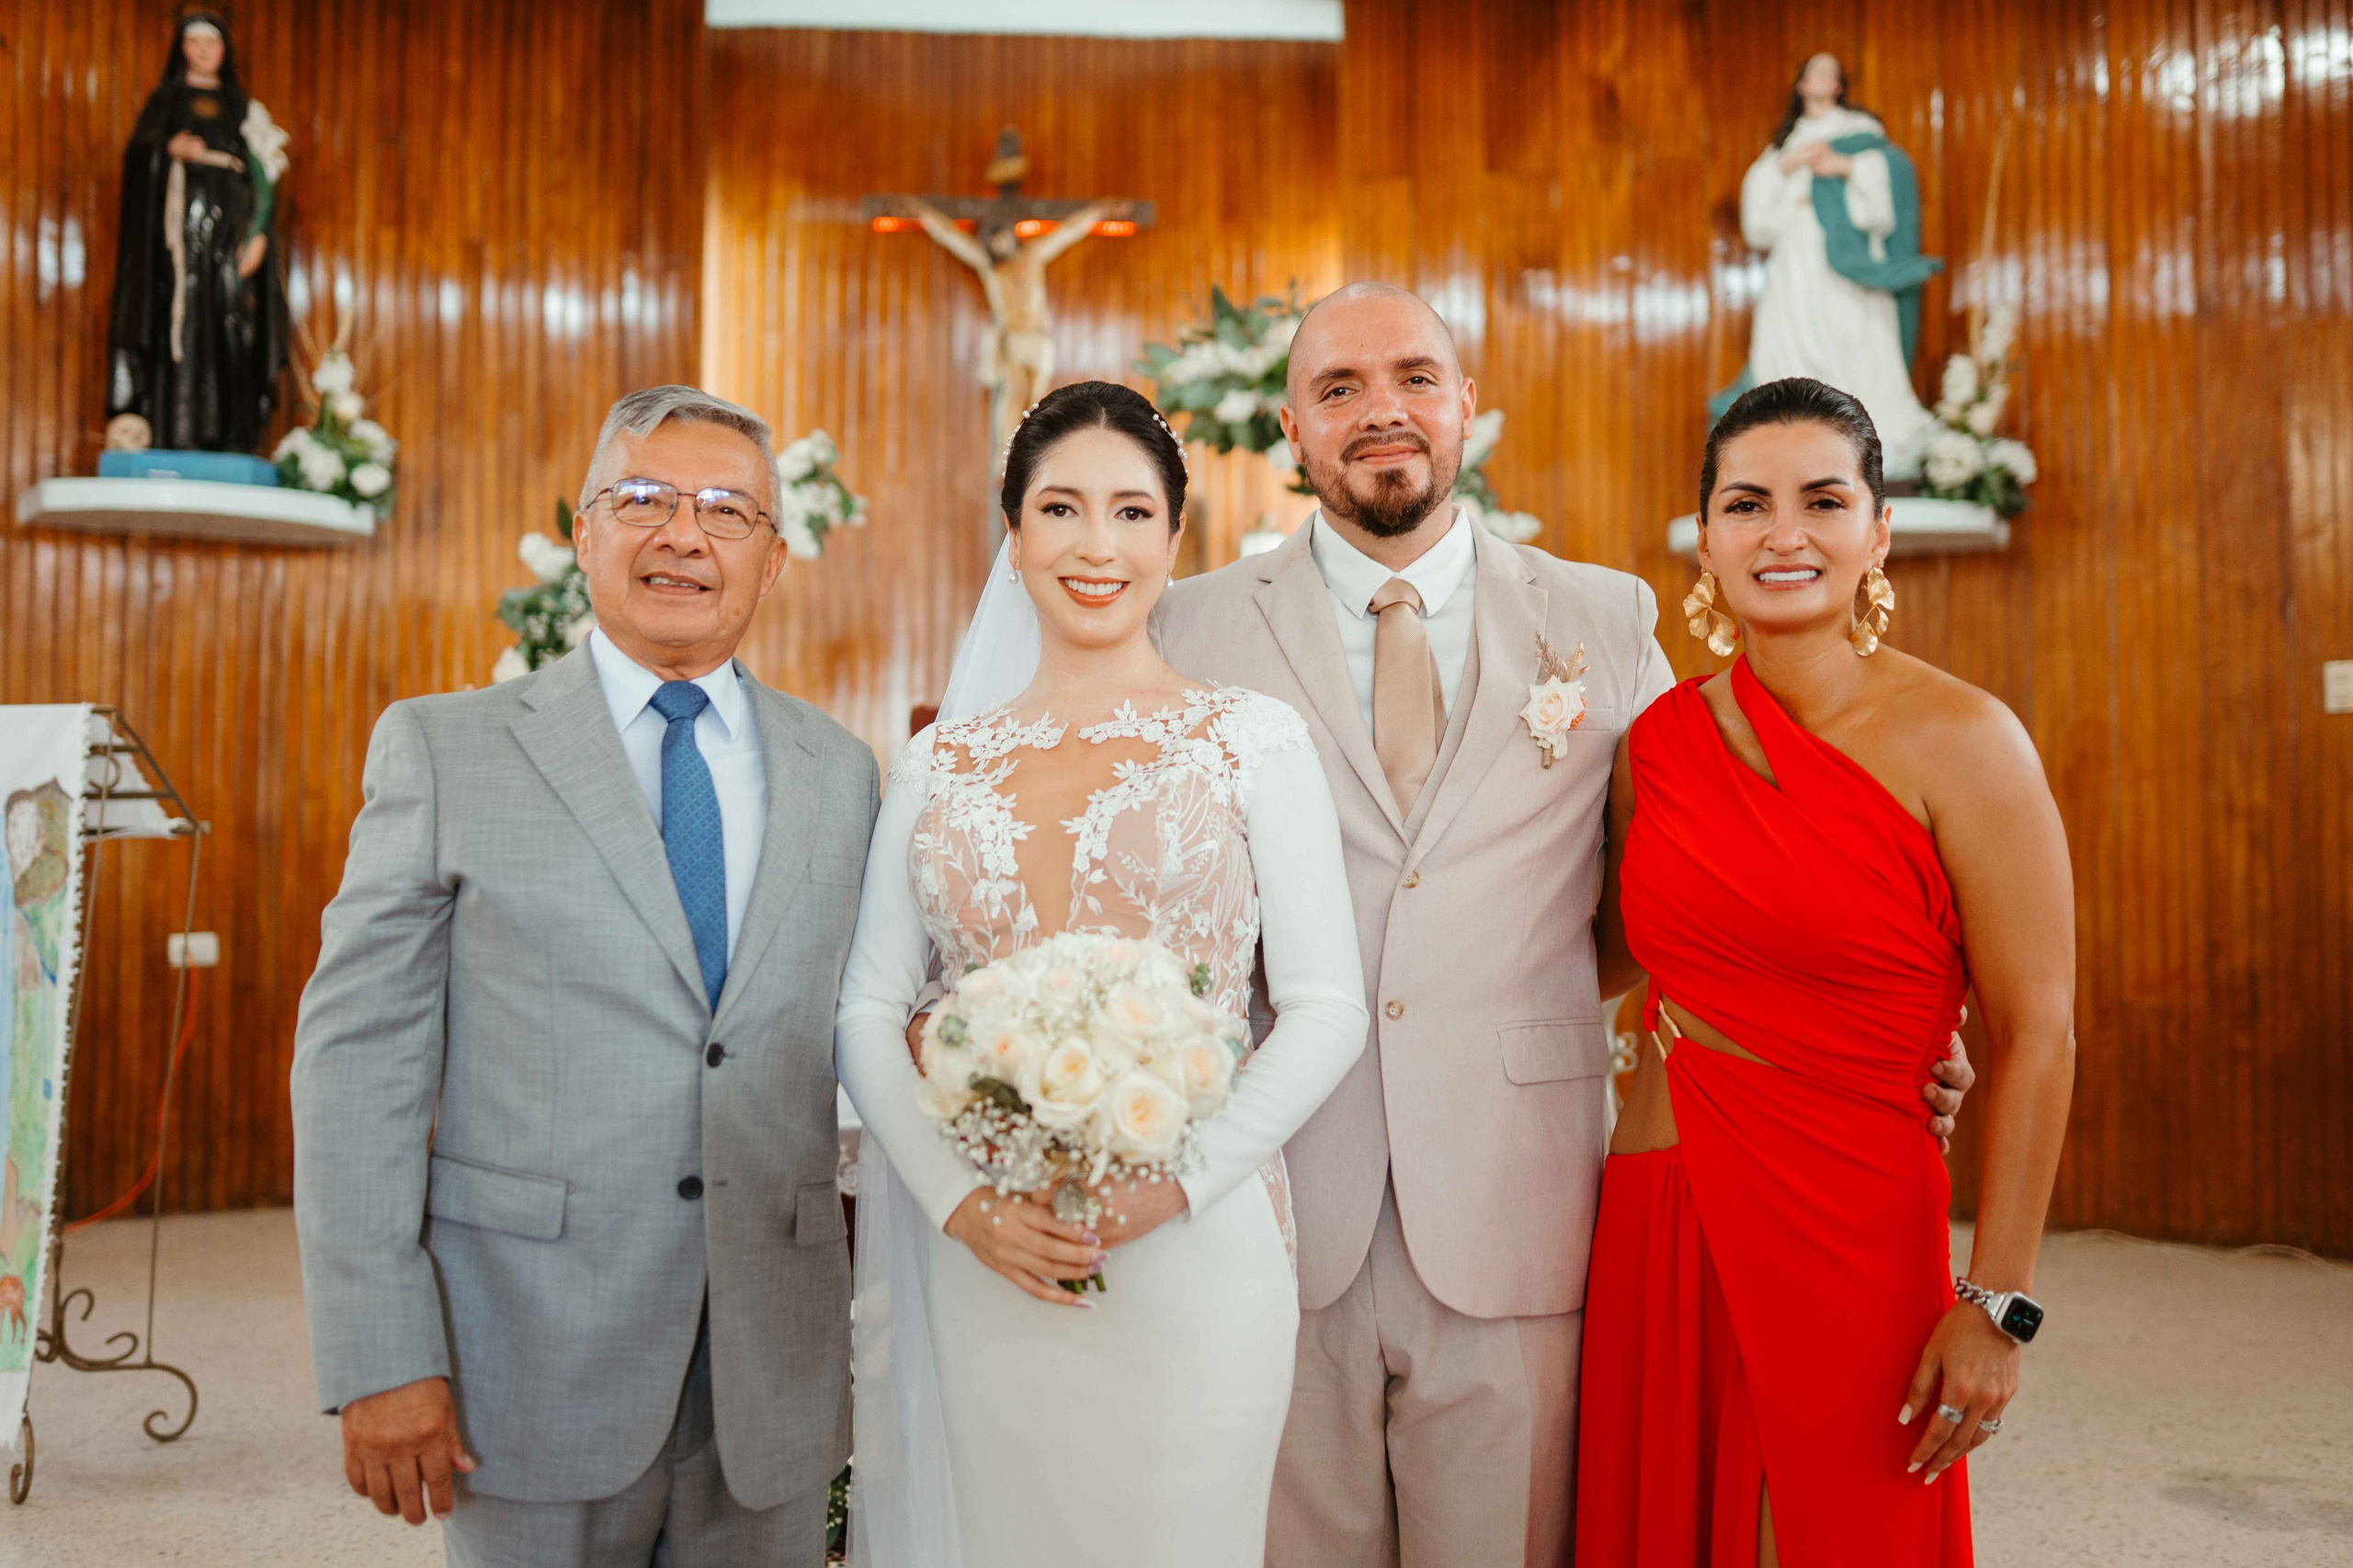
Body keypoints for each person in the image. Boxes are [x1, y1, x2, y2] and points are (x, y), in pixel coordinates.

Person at [1155, 282, 1975, 1567]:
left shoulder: (1601, 618)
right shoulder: (1186, 626)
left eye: (1416, 377)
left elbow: (1699, 881)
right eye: (1340, 389)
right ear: (1292, 428)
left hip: (1517, 1194)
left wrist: (1879, 1037)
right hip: (1267, 1199)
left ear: (1468, 404)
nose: (1384, 411)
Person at [291, 387, 878, 1566]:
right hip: (529, 1356)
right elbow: (358, 1069)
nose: (682, 534)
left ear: (770, 558)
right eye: (643, 498)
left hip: (772, 1360)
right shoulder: (445, 747)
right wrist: (380, 1346)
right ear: (583, 531)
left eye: (726, 509)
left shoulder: (844, 771)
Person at [835, 380, 1369, 1566]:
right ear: (1014, 535)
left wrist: (1177, 1182)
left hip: (1199, 1242)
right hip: (993, 1249)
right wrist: (958, 1204)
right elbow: (869, 1006)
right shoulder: (938, 762)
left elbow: (1328, 1007)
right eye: (1062, 508)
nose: (1096, 544)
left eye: (1132, 512)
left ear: (1172, 542)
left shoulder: (1250, 738)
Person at [1576, 377, 2076, 1565]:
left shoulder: (1967, 739)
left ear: (1877, 531)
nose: (1782, 533)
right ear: (1706, 535)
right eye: (1746, 502)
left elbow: (2041, 1029)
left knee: (1843, 1521)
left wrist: (1996, 1301)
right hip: (1666, 1196)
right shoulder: (1657, 744)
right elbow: (1597, 955)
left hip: (1856, 1211)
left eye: (1822, 499)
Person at [1718, 53, 1940, 480]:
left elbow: (1889, 177)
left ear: (1839, 86)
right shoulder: (1786, 143)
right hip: (1796, 253)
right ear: (1800, 84)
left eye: (1830, 73)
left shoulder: (1859, 132)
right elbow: (1759, 210)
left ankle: (1866, 443)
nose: (1821, 79)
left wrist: (1844, 166)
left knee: (1853, 331)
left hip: (1843, 253)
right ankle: (1793, 444)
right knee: (1788, 340)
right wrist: (1788, 164)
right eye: (1813, 71)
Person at [106, 10, 290, 454]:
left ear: (225, 51)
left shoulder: (244, 109)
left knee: (232, 322)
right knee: (178, 326)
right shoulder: (164, 102)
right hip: (174, 244)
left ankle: (233, 436)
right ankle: (174, 433)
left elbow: (264, 179)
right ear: (182, 48)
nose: (204, 50)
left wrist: (259, 235)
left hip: (232, 238)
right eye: (195, 41)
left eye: (213, 41)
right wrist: (166, 151)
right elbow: (137, 158)